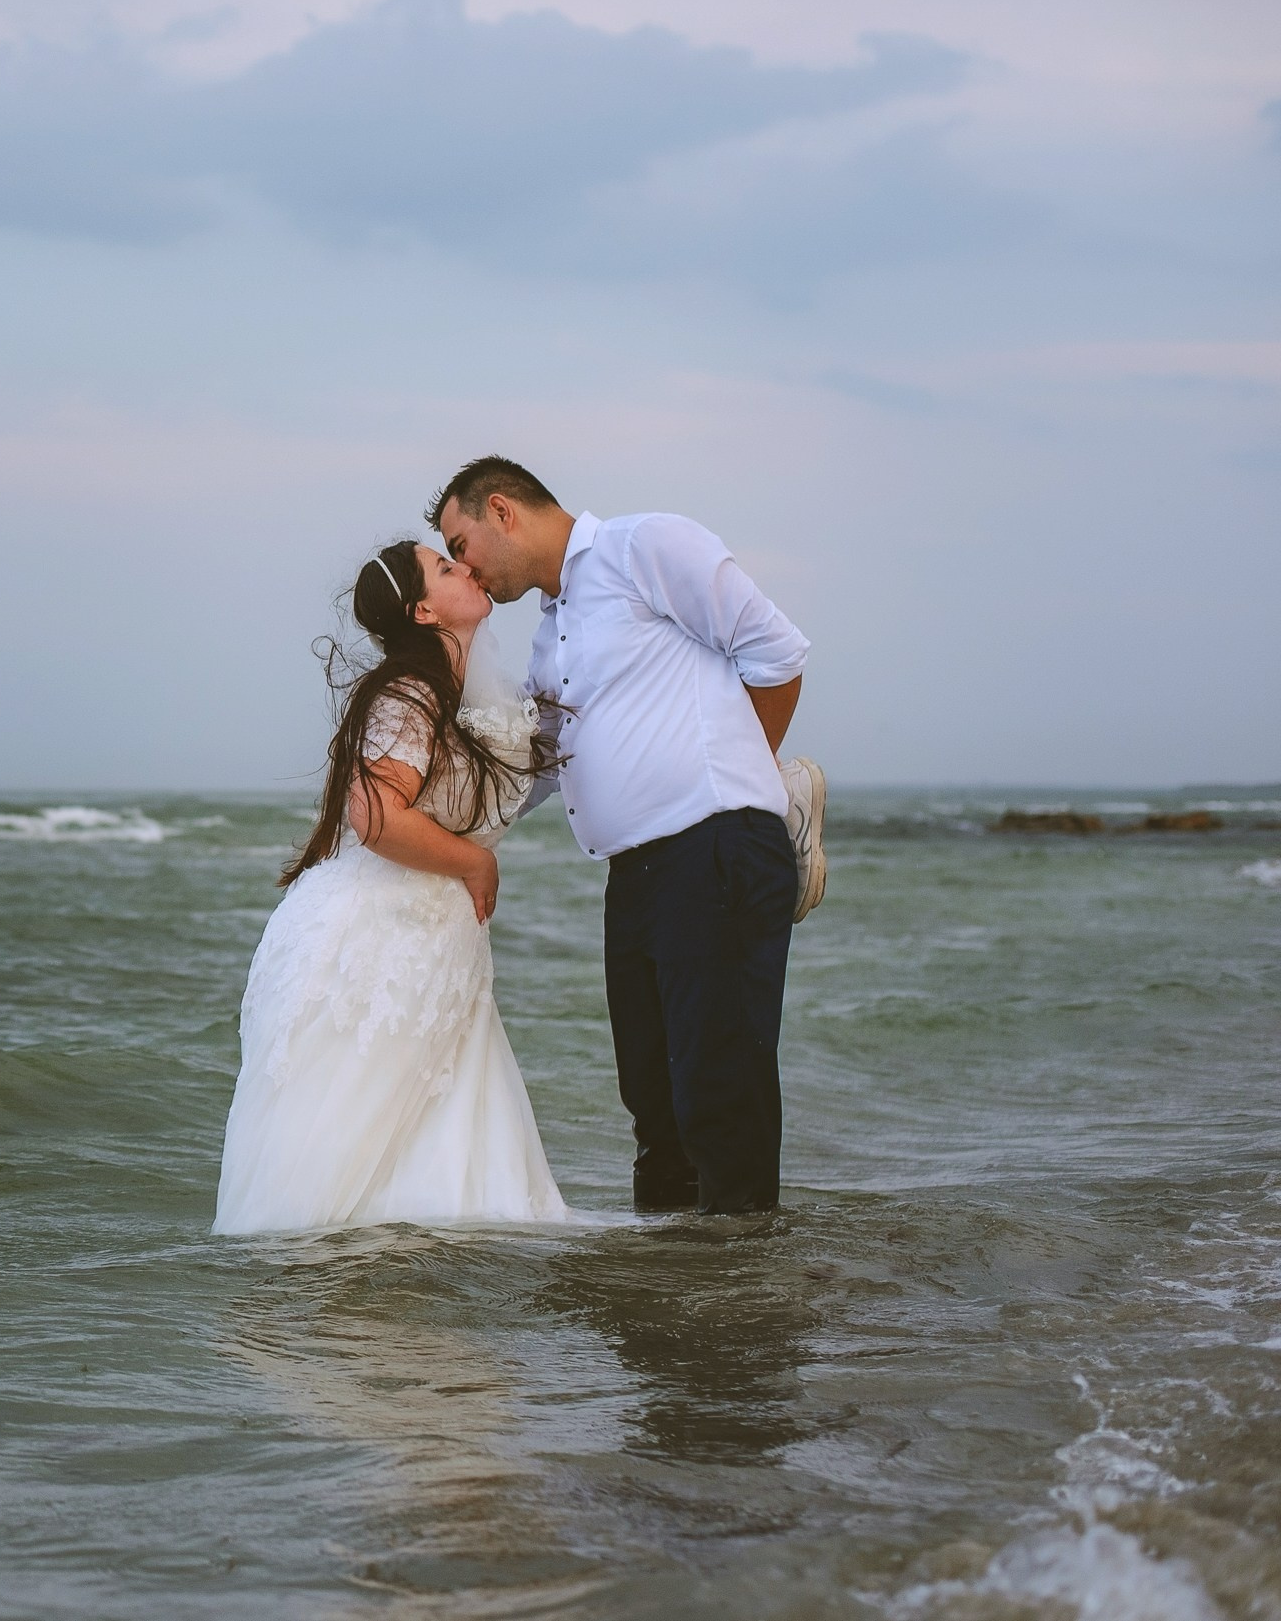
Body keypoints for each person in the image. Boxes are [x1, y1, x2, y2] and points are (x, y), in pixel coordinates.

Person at [430, 456, 824, 1216]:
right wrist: (435, 835)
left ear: (503, 511)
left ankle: (744, 1315)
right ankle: (667, 1310)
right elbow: (536, 770)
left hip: (714, 850)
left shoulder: (647, 547)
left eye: (461, 542)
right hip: (635, 878)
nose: (464, 567)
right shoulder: (552, 641)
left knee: (719, 1093)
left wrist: (747, 780)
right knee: (654, 1105)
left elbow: (778, 654)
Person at [213, 539, 568, 1235]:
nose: (466, 567)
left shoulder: (470, 692)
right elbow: (373, 814)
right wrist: (473, 863)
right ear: (424, 610)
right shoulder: (412, 692)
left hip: (435, 939)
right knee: (347, 1152)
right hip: (377, 937)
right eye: (445, 566)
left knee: (434, 1146)